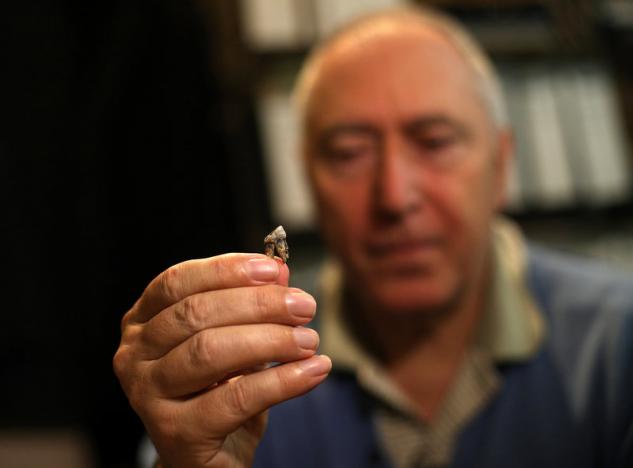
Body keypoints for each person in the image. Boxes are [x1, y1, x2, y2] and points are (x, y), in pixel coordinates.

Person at [113, 6, 633, 468]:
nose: (393, 195)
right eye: (348, 152)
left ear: (501, 166)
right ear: (309, 182)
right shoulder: (242, 366)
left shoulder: (616, 344)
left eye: (434, 142)